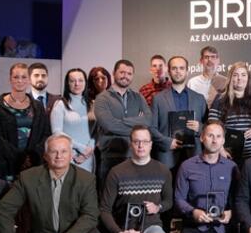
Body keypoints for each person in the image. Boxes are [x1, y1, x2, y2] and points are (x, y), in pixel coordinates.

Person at [100, 126, 172, 233]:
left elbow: (169, 201)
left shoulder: (163, 170)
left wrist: (158, 207)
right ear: (130, 144)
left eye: (145, 141)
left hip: (151, 227)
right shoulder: (117, 172)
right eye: (137, 141)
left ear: (151, 144)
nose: (141, 145)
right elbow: (104, 209)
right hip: (124, 231)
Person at [173, 121, 245, 233]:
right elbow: (179, 198)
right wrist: (193, 212)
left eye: (218, 136)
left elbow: (239, 198)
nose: (214, 140)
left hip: (221, 228)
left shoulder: (232, 167)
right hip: (196, 226)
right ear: (202, 137)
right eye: (210, 135)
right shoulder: (187, 166)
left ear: (223, 140)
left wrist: (231, 212)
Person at [0, 63, 50, 181]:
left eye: (24, 77)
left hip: (33, 166)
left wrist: (32, 156)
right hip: (5, 167)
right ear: (10, 79)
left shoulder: (38, 107)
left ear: (29, 80)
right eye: (16, 77)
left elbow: (46, 134)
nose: (20, 81)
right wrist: (18, 157)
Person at [94, 59, 151, 188]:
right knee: (109, 195)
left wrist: (121, 121)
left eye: (129, 73)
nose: (125, 76)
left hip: (134, 155)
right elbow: (109, 125)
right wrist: (137, 125)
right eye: (122, 72)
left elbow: (148, 120)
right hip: (110, 156)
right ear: (114, 73)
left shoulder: (138, 97)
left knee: (132, 195)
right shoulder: (102, 98)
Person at [151, 55, 207, 173]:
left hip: (193, 154)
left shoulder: (199, 99)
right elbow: (151, 128)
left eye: (181, 68)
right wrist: (167, 142)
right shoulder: (158, 99)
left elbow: (208, 127)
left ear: (187, 71)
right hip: (167, 155)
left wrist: (200, 127)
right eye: (174, 68)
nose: (178, 71)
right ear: (169, 71)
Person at [209, 62, 251, 163]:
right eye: (235, 75)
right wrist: (220, 149)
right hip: (228, 153)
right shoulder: (220, 99)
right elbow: (212, 126)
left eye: (243, 75)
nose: (239, 78)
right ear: (230, 78)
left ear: (248, 78)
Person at [50, 69, 96, 173]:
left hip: (88, 157)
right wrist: (81, 148)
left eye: (80, 80)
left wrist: (88, 150)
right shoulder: (60, 104)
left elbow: (96, 132)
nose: (77, 84)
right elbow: (56, 133)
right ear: (67, 83)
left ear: (86, 83)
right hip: (69, 156)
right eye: (72, 81)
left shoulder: (92, 104)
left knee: (87, 182)